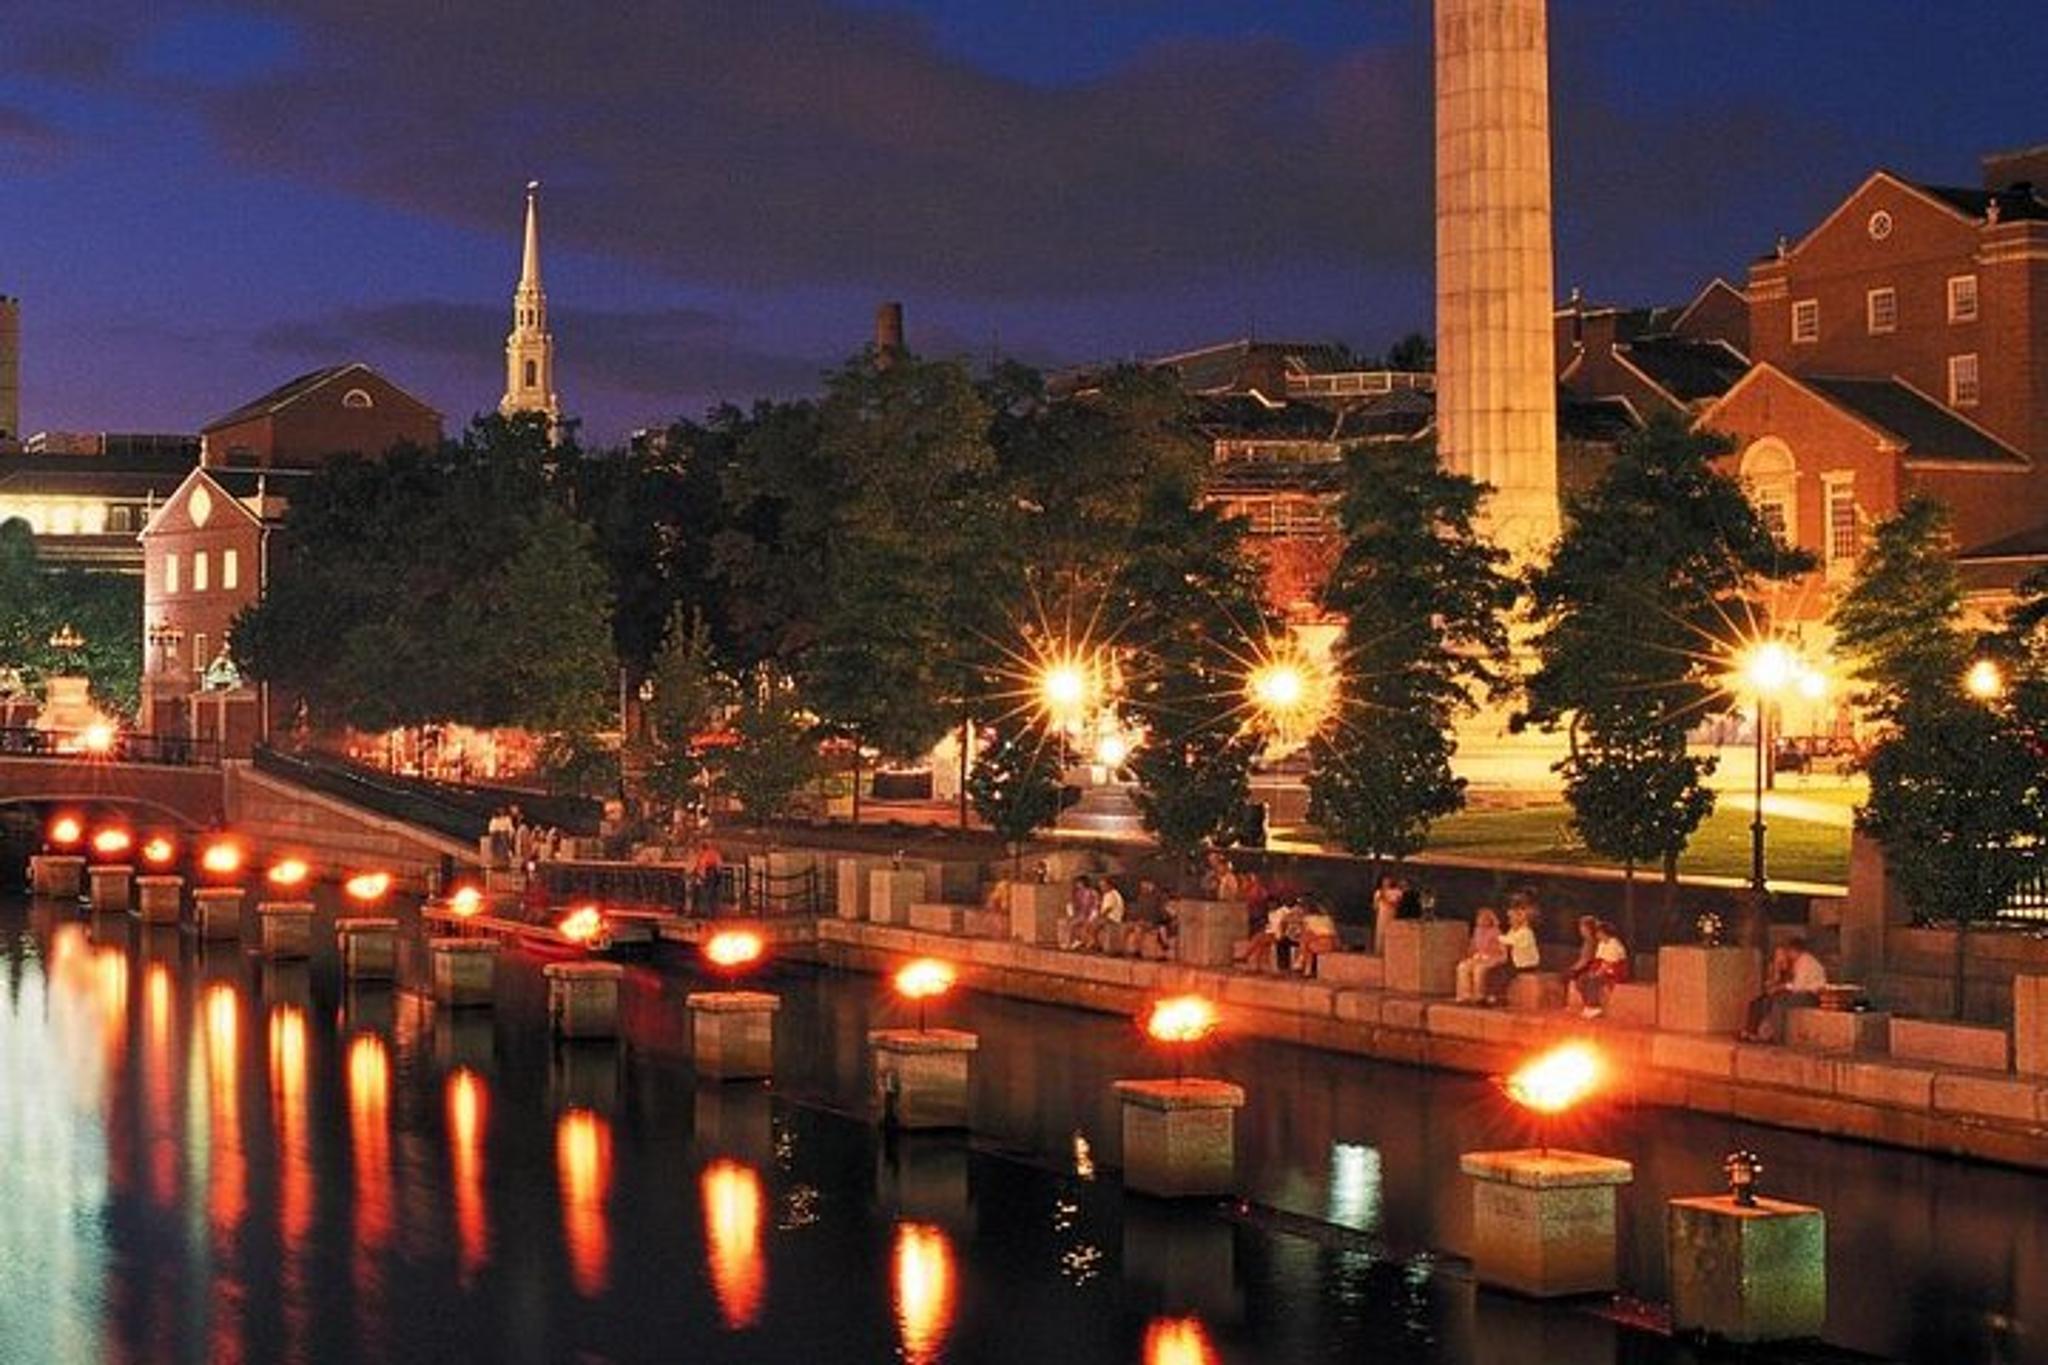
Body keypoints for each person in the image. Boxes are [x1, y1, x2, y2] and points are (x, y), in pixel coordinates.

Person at [1741, 937, 1827, 1042]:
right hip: (1802, 993)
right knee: (1763, 1001)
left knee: (1779, 1002)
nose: (1788, 954)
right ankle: (1755, 1031)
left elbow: (1798, 987)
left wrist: (1781, 988)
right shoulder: (1799, 962)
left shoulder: (1804, 961)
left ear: (1794, 950)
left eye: (1789, 951)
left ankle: (1774, 1035)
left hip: (1810, 996)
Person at [1485, 902, 1541, 1004]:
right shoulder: (1514, 930)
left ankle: (1500, 997)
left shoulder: (1526, 932)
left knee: (1504, 974)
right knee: (1493, 971)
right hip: (1515, 962)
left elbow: (1511, 941)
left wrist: (1496, 938)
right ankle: (1492, 996)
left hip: (1526, 964)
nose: (1510, 921)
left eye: (1512, 918)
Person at [1577, 921, 1630, 1018]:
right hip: (1603, 970)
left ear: (1604, 933)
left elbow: (1608, 964)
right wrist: (1592, 972)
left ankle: (1595, 1007)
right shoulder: (1602, 944)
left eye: (1598, 932)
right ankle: (1588, 1006)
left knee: (1594, 980)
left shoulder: (1614, 944)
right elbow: (1598, 961)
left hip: (1615, 973)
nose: (1596, 935)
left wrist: (1596, 974)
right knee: (1582, 979)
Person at [1454, 907, 1505, 1003]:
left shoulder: (1496, 932)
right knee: (1462, 967)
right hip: (1478, 957)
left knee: (1479, 969)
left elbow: (1503, 952)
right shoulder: (1477, 931)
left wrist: (1489, 958)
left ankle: (1479, 996)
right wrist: (1470, 956)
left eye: (1484, 918)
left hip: (1493, 958)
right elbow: (1472, 948)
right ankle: (1465, 995)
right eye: (1480, 918)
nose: (1481, 920)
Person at [1243, 900, 1298, 973]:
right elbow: (1270, 925)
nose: (1270, 905)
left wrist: (1281, 932)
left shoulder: (1284, 911)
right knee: (1260, 941)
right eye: (1269, 904)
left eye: (1272, 903)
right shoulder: (1271, 913)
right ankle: (1256, 965)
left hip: (1278, 934)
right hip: (1270, 933)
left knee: (1259, 938)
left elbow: (1284, 924)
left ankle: (1246, 956)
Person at [1294, 900, 1341, 977]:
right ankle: (1306, 970)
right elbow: (1334, 934)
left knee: (1306, 937)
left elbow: (1302, 933)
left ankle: (1301, 961)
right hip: (1329, 944)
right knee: (1307, 945)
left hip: (1320, 943)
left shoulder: (1307, 919)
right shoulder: (1327, 918)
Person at [1562, 915, 1601, 1006]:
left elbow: (1586, 960)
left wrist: (1573, 969)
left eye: (1582, 927)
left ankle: (1590, 1005)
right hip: (1586, 966)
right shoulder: (1587, 941)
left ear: (1588, 929)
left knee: (1578, 979)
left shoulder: (1592, 942)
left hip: (1591, 966)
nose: (1580, 930)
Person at [1061, 874, 1099, 950]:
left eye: (1079, 883)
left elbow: (1095, 905)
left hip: (1089, 914)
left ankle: (1075, 941)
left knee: (1074, 924)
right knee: (1069, 923)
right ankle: (1072, 941)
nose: (1077, 884)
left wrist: (1092, 916)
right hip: (1081, 914)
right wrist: (1072, 913)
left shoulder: (1092, 892)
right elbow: (1074, 904)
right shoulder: (1077, 893)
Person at [1371, 874, 1404, 953]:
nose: (1386, 882)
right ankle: (1379, 952)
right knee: (1380, 936)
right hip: (1381, 916)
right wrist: (1380, 899)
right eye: (1384, 881)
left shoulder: (1397, 892)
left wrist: (1387, 901)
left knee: (1391, 935)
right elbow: (1375, 907)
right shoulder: (1378, 892)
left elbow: (1398, 904)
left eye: (1388, 880)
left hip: (1392, 916)